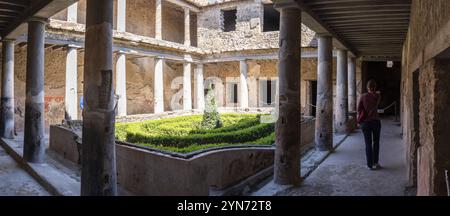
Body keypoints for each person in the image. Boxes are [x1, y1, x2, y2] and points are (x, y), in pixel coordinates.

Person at [357, 80, 382, 170]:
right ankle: (376, 162)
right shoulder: (378, 96)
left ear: (367, 87)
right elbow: (378, 102)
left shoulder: (363, 96)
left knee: (368, 144)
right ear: (375, 87)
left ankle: (369, 165)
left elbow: (359, 109)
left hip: (366, 123)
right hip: (376, 121)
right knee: (376, 143)